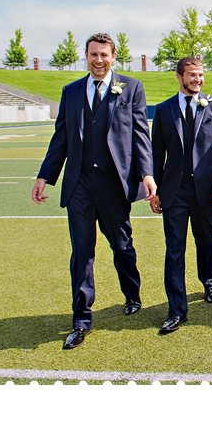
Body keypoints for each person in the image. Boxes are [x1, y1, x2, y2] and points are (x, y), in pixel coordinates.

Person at [32, 33, 156, 349]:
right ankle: (82, 318)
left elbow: (141, 135)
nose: (98, 60)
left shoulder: (131, 88)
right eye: (92, 55)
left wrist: (147, 174)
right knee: (82, 252)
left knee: (122, 245)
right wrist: (44, 176)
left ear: (114, 56)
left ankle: (132, 293)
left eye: (103, 55)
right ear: (85, 56)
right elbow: (61, 137)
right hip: (80, 184)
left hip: (115, 183)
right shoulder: (71, 92)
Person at [149, 57, 212, 334]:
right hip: (174, 192)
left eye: (200, 75)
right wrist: (155, 191)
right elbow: (155, 154)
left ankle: (208, 281)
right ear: (179, 76)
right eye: (192, 75)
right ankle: (176, 310)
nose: (197, 80)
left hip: (207, 191)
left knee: (208, 241)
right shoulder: (162, 111)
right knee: (174, 250)